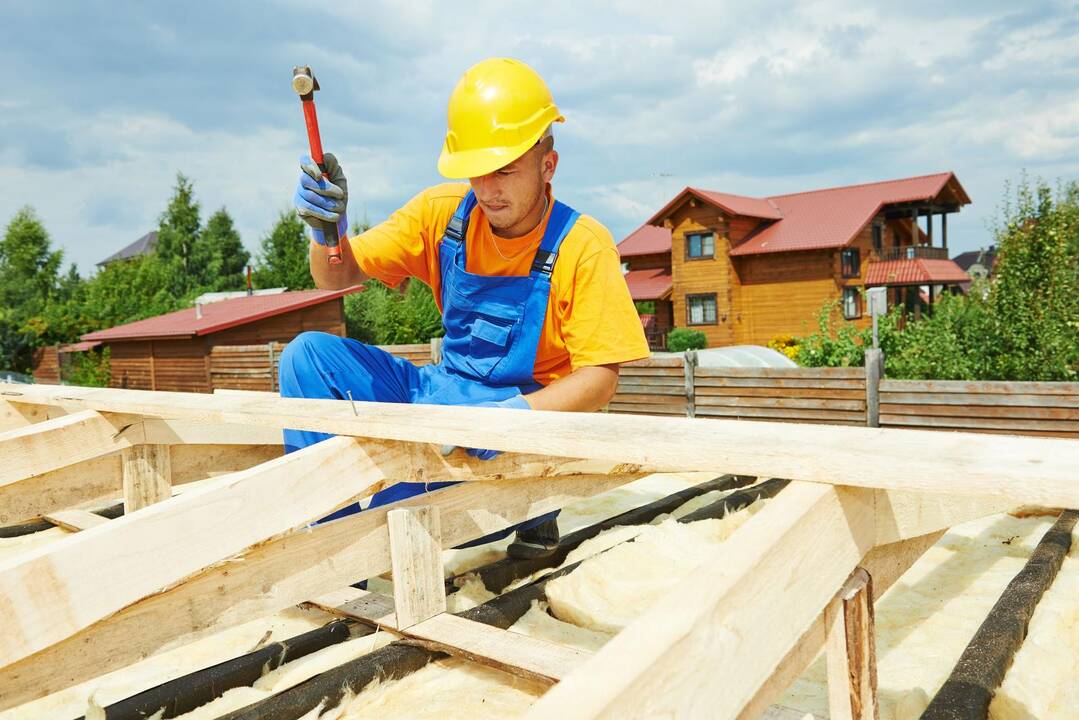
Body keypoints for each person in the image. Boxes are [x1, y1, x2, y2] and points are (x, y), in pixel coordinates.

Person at [280, 57, 649, 559]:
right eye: (476, 171)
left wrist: (509, 419)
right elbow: (335, 276)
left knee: (399, 495)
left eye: (505, 170)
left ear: (548, 165)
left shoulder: (583, 244)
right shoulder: (442, 212)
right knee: (306, 356)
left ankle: (534, 510)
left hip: (524, 415)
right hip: (443, 390)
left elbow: (600, 378)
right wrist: (327, 233)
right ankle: (331, 548)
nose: (488, 189)